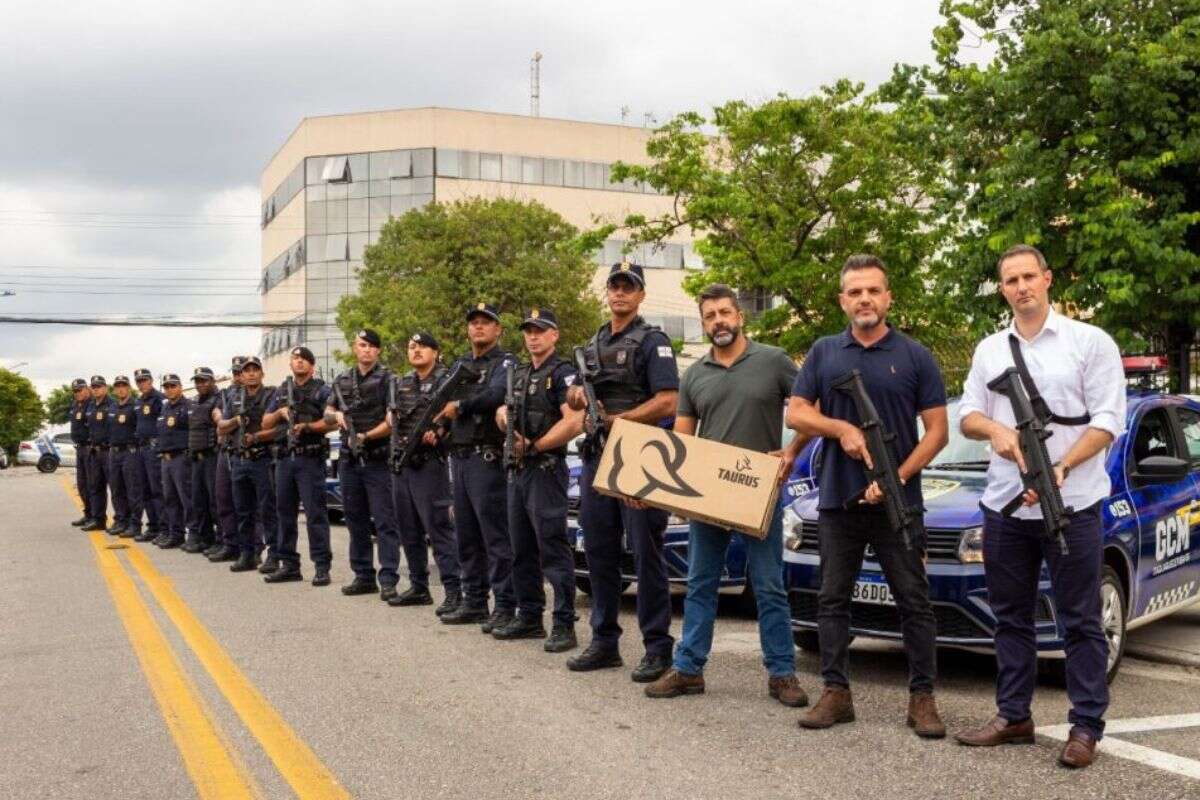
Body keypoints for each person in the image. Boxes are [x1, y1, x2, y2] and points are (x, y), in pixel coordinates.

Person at [954, 244, 1125, 769]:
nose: (1021, 287)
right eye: (1011, 280)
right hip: (1005, 503)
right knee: (1009, 618)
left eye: (1030, 276)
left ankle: (1086, 726)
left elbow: (1108, 420)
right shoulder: (990, 349)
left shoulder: (1089, 342)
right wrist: (997, 431)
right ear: (1002, 288)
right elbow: (967, 414)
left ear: (1048, 280)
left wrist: (1061, 466)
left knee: (1080, 620)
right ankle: (1014, 716)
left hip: (1071, 502)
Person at [786, 254, 948, 736]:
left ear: (888, 297)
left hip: (899, 505)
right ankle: (836, 694)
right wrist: (839, 429)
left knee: (914, 602)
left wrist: (896, 478)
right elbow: (797, 413)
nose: (865, 299)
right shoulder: (823, 352)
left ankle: (922, 699)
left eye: (873, 290)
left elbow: (937, 432)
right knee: (832, 599)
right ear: (843, 301)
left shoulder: (916, 356)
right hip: (838, 500)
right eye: (855, 292)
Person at [644, 285, 810, 707]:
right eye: (710, 316)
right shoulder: (695, 374)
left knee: (769, 585)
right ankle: (688, 668)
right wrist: (664, 486)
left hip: (759, 492)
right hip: (709, 496)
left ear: (740, 317)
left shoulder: (773, 361)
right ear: (703, 323)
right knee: (700, 583)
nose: (718, 321)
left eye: (725, 313)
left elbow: (811, 408)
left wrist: (791, 452)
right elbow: (682, 439)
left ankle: (782, 674)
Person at [565, 262, 679, 682]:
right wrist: (577, 396)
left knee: (647, 554)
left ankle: (657, 647)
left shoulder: (653, 341)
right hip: (597, 457)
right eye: (614, 286)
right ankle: (605, 641)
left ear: (641, 295)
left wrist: (623, 420)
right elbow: (577, 396)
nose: (619, 293)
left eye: (628, 287)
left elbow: (669, 400)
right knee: (599, 553)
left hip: (639, 456)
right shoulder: (593, 342)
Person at [494, 308, 583, 652]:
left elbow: (574, 421)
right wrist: (505, 422)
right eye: (529, 330)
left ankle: (564, 623)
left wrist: (534, 444)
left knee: (552, 548)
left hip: (546, 468)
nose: (533, 336)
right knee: (521, 548)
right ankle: (530, 616)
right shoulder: (517, 373)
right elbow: (502, 410)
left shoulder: (562, 374)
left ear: (554, 335)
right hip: (519, 470)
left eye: (540, 330)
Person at [435, 304, 516, 631]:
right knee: (466, 534)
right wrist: (440, 423)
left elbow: (497, 393)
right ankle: (474, 601)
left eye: (486, 323)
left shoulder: (505, 363)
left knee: (495, 537)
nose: (479, 328)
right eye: (474, 323)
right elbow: (443, 401)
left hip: (487, 458)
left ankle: (506, 604)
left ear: (498, 330)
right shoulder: (459, 365)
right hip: (461, 457)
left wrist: (461, 406)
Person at [386, 332, 462, 614]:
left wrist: (440, 433)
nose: (416, 350)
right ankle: (419, 586)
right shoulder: (402, 383)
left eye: (422, 347)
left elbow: (458, 420)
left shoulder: (447, 381)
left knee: (439, 529)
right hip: (403, 464)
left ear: (436, 351)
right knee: (409, 530)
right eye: (411, 346)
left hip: (431, 464)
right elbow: (393, 420)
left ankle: (454, 590)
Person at [324, 329, 400, 599]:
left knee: (384, 522)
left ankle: (388, 578)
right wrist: (336, 418)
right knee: (355, 520)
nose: (365, 350)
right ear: (355, 348)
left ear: (378, 350)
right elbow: (328, 410)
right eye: (361, 345)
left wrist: (366, 436)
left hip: (377, 458)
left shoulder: (389, 379)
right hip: (349, 459)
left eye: (370, 346)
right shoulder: (342, 379)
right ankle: (363, 575)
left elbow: (392, 421)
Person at [261, 346, 334, 586]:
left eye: (304, 359)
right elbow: (264, 422)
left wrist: (310, 427)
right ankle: (289, 564)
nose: (299, 362)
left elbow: (332, 421)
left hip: (309, 458)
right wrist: (280, 413)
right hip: (284, 458)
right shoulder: (282, 390)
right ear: (290, 364)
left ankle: (322, 566)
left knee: (315, 514)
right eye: (296, 359)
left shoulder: (321, 390)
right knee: (284, 514)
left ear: (312, 366)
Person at [216, 356, 278, 573]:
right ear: (240, 375)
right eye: (247, 370)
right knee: (243, 510)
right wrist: (235, 421)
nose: (251, 373)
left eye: (255, 370)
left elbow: (281, 428)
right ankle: (247, 554)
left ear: (262, 373)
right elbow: (221, 427)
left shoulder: (272, 395)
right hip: (239, 460)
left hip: (262, 459)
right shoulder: (234, 397)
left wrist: (258, 437)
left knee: (267, 510)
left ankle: (273, 555)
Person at [209, 357, 246, 562]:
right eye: (236, 372)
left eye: (241, 372)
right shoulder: (225, 394)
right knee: (223, 500)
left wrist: (226, 424)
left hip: (245, 451)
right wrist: (227, 423)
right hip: (226, 449)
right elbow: (217, 417)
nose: (238, 376)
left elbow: (235, 422)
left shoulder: (254, 393)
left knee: (246, 504)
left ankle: (252, 548)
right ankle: (230, 543)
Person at [184, 367, 221, 554]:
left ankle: (222, 539)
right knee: (199, 501)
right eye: (197, 381)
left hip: (212, 457)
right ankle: (205, 538)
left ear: (212, 381)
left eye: (204, 380)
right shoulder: (194, 402)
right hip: (196, 458)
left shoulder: (219, 399)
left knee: (216, 501)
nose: (200, 384)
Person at [156, 374, 192, 549]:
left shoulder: (187, 406)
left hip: (181, 458)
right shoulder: (164, 408)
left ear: (180, 386)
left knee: (186, 498)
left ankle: (193, 534)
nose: (169, 389)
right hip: (166, 459)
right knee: (170, 499)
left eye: (173, 386)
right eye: (167, 387)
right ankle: (176, 534)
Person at [105, 375, 143, 539]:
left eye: (123, 385)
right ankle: (120, 520)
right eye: (117, 386)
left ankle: (135, 524)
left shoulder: (135, 406)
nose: (120, 388)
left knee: (132, 489)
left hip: (130, 452)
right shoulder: (112, 407)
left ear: (129, 388)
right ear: (114, 389)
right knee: (116, 489)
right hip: (114, 453)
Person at [132, 368, 166, 543]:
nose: (142, 383)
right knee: (144, 489)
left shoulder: (159, 398)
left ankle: (163, 527)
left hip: (154, 448)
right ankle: (152, 526)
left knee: (156, 489)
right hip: (141, 448)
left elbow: (166, 423)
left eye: (144, 380)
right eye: (139, 381)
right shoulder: (138, 401)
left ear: (151, 381)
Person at [82, 376, 115, 532]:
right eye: (93, 387)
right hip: (94, 451)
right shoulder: (90, 406)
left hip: (108, 451)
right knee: (95, 487)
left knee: (115, 488)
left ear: (105, 388)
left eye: (99, 386)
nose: (96, 389)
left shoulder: (112, 405)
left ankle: (121, 520)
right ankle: (98, 519)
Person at [67, 379, 96, 529]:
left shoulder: (92, 404)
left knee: (92, 484)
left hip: (89, 448)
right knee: (82, 484)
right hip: (79, 448)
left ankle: (96, 516)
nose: (77, 393)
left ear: (87, 389)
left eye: (80, 390)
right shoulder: (75, 405)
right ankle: (88, 514)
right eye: (75, 391)